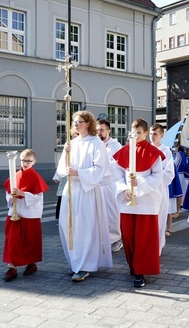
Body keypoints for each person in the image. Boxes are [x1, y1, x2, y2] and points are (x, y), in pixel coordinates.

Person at [57, 111, 113, 282]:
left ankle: (84, 266)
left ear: (88, 123)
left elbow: (99, 168)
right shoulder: (71, 143)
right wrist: (65, 157)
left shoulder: (96, 143)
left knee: (85, 227)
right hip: (71, 190)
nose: (75, 124)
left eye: (79, 121)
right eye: (73, 121)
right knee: (67, 225)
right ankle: (75, 262)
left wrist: (78, 173)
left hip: (87, 190)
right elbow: (61, 169)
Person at [113, 118, 165, 288]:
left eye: (139, 133)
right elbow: (117, 175)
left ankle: (141, 271)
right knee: (127, 235)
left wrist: (140, 185)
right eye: (133, 132)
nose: (135, 135)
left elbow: (157, 176)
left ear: (145, 133)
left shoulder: (153, 153)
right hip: (127, 199)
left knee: (143, 238)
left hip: (146, 202)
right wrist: (123, 189)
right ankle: (133, 264)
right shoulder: (124, 151)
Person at [2, 149, 49, 282]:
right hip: (15, 213)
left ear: (34, 162)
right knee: (13, 240)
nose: (25, 163)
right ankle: (12, 267)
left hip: (30, 214)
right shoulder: (15, 175)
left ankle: (31, 263)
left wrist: (23, 194)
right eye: (23, 160)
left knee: (30, 241)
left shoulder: (35, 177)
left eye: (29, 161)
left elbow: (38, 197)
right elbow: (8, 192)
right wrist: (10, 198)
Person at [96, 119, 123, 253]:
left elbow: (117, 164)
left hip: (110, 183)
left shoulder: (115, 145)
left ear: (108, 131)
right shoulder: (95, 143)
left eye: (102, 130)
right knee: (98, 212)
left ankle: (116, 239)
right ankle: (101, 239)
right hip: (96, 183)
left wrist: (103, 164)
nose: (99, 132)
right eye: (97, 130)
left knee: (112, 212)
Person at [149, 123, 175, 254]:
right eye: (150, 134)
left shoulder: (166, 151)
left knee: (159, 219)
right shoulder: (146, 149)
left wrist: (155, 175)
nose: (152, 136)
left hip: (160, 190)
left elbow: (170, 173)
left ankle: (157, 248)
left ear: (161, 135)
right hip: (147, 191)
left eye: (155, 134)